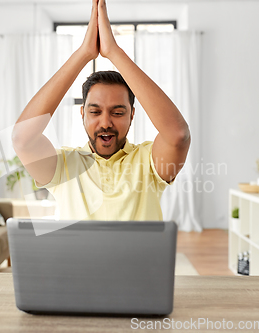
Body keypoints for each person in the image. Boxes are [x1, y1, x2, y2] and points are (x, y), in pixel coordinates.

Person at [12, 0, 190, 221]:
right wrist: (84, 53)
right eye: (95, 112)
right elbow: (22, 139)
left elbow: (178, 135)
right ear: (82, 114)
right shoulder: (65, 167)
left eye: (117, 113)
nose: (106, 122)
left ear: (132, 115)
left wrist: (113, 52)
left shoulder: (148, 162)